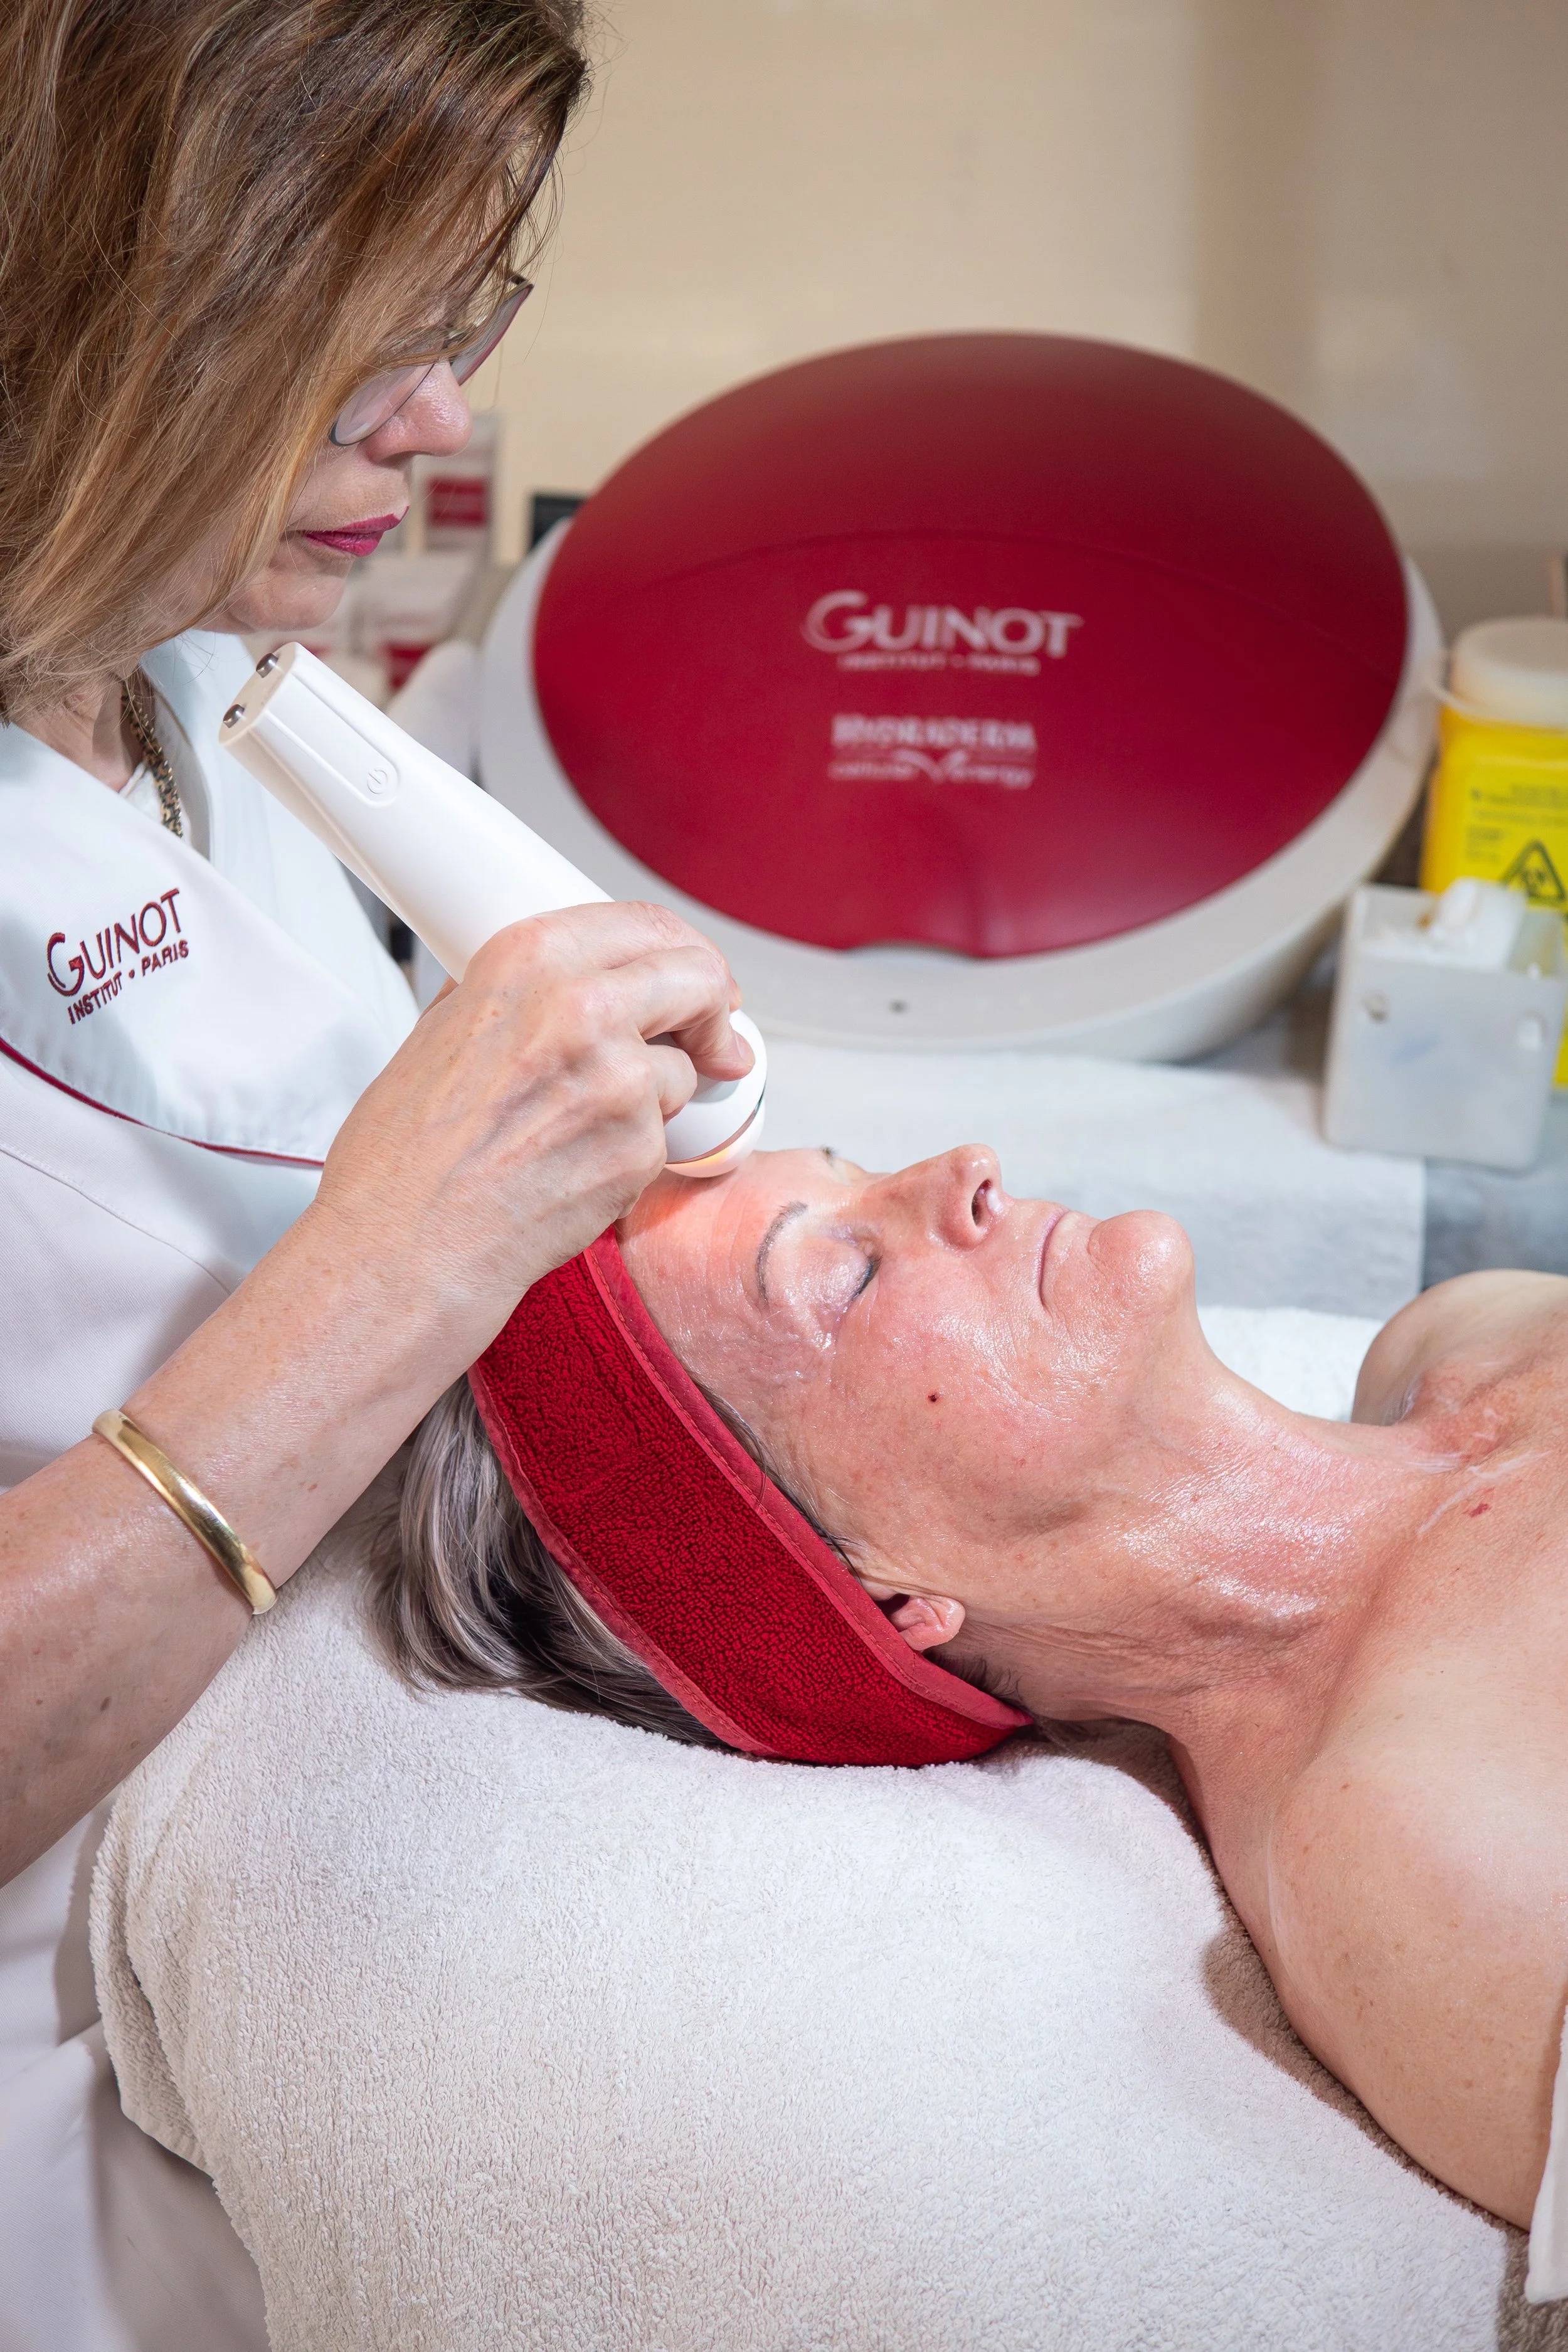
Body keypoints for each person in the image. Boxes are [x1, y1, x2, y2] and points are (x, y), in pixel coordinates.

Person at [0, 4, 755, 2344]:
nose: (433, 425)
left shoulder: (190, 671)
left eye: (454, 330)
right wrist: (410, 1240)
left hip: (321, 1980)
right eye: (364, 350)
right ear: (92, 306)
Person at [369, 1140, 1568, 2269]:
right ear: (878, 1593)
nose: (964, 1170)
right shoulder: (1409, 1854)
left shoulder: (1472, 1329)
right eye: (849, 1274)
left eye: (860, 1164)